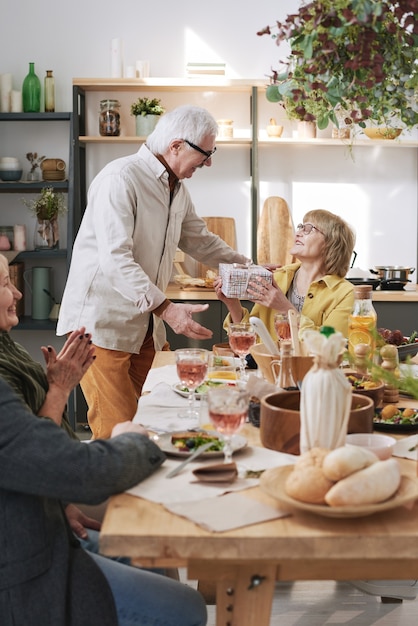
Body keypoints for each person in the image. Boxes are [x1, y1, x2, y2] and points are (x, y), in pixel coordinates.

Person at [57, 104, 250, 439]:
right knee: (118, 433)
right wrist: (168, 310)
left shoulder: (177, 189)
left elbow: (199, 240)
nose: (209, 162)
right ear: (175, 146)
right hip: (103, 328)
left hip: (144, 328)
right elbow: (116, 260)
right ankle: (112, 491)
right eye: (205, 153)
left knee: (156, 425)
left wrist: (249, 266)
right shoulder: (120, 178)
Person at [0, 379, 208, 626]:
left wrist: (61, 502)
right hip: (21, 571)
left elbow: (29, 458)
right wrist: (131, 441)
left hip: (39, 523)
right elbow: (79, 472)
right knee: (187, 609)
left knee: (142, 552)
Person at [215, 209, 355, 339]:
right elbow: (253, 338)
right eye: (300, 227)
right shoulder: (276, 277)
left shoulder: (345, 293)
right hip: (269, 365)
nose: (298, 232)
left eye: (308, 229)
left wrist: (285, 308)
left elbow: (330, 345)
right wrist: (232, 304)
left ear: (331, 243)